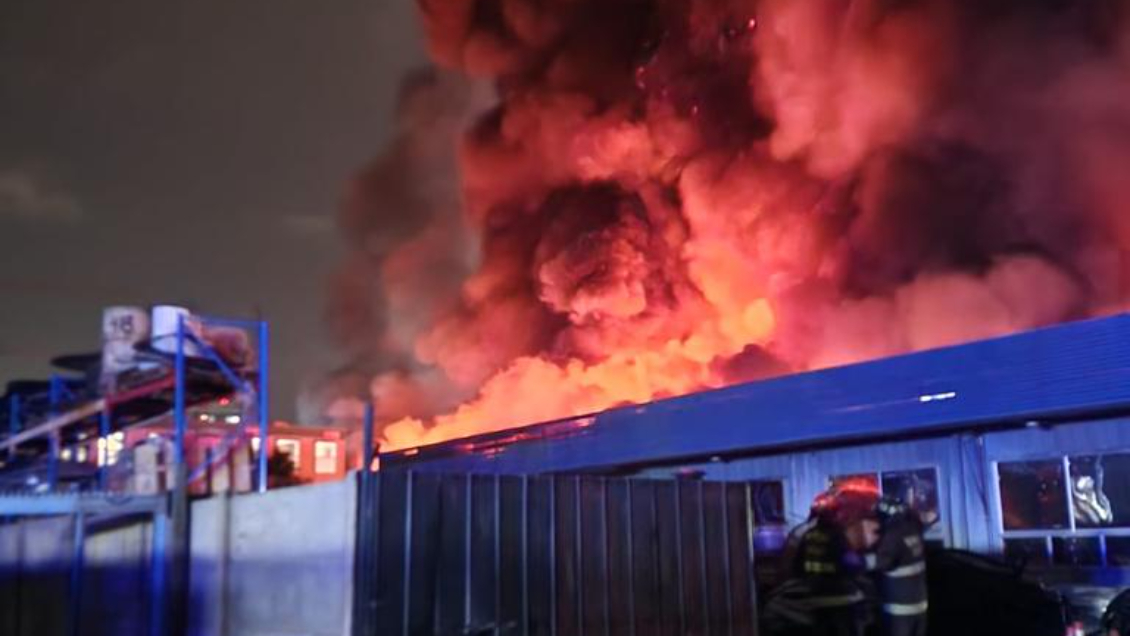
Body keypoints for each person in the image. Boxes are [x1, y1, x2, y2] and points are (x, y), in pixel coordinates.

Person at [765, 488, 873, 636]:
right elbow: (852, 565)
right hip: (841, 601)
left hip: (817, 601)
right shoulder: (836, 535)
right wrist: (864, 565)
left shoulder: (808, 535)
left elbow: (797, 567)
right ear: (834, 516)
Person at [867, 496, 928, 636]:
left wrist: (859, 560)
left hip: (900, 607)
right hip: (919, 604)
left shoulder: (892, 533)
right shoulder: (912, 528)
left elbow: (883, 562)